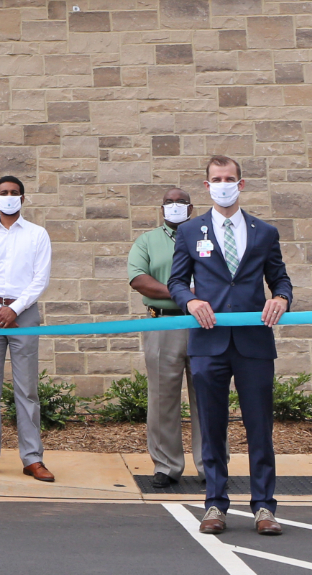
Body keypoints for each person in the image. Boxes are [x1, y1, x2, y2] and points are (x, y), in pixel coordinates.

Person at [168, 155, 292, 537]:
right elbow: (175, 283)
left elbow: (282, 280)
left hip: (254, 343)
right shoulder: (190, 231)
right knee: (212, 425)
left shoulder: (265, 232)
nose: (223, 183)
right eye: (216, 178)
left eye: (230, 178)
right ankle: (215, 504)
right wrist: (190, 301)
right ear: (206, 186)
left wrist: (281, 300)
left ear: (241, 184)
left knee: (259, 427)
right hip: (208, 343)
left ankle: (264, 506)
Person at [0, 175, 54, 481]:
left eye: (14, 193)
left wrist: (14, 309)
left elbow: (40, 279)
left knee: (26, 389)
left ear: (23, 198)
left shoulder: (37, 234)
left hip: (24, 314)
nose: (9, 197)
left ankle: (32, 457)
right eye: (3, 193)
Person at [126, 186, 205, 487]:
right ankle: (166, 466)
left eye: (180, 202)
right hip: (163, 325)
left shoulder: (205, 237)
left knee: (208, 397)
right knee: (162, 399)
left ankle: (209, 466)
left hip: (203, 325)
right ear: (161, 209)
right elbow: (139, 279)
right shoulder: (147, 241)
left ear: (191, 207)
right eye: (169, 202)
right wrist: (184, 294)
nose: (174, 206)